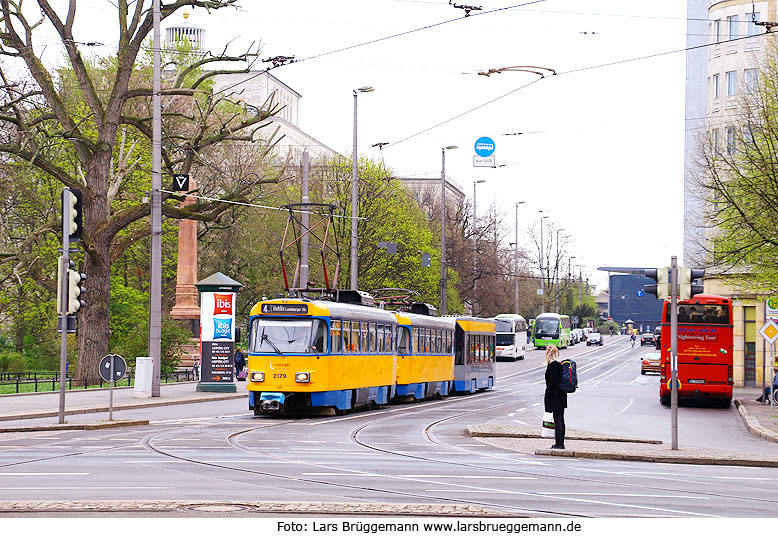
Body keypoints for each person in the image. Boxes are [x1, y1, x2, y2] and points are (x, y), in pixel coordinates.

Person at [544, 345, 567, 450]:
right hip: (561, 395)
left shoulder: (553, 365)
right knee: (561, 419)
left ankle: (559, 443)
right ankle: (561, 442)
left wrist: (548, 394)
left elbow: (552, 383)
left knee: (557, 419)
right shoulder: (559, 364)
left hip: (555, 396)